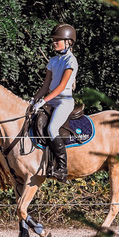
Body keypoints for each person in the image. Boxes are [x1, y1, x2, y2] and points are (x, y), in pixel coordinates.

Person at [31, 23, 78, 181]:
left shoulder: (71, 61)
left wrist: (43, 101)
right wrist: (34, 100)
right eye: (53, 40)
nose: (54, 42)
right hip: (51, 100)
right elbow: (45, 87)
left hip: (64, 101)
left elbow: (61, 87)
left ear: (68, 42)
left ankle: (62, 169)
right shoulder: (53, 61)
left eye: (58, 40)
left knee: (52, 128)